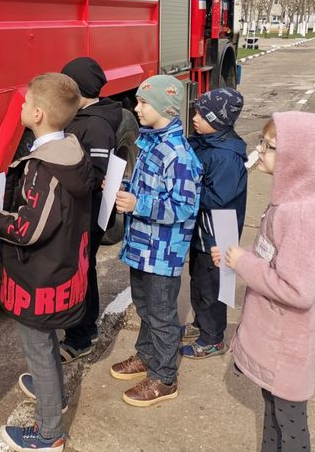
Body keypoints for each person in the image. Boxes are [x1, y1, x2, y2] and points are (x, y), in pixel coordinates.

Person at [212, 112, 315, 452]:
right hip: (277, 337)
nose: (259, 150)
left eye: (269, 146)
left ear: (298, 160)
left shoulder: (299, 216)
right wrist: (237, 255)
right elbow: (271, 256)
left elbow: (297, 289)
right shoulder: (287, 203)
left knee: (289, 421)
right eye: (262, 142)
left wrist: (243, 263)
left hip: (288, 344)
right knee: (272, 408)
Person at [0, 73, 93, 452]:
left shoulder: (44, 168)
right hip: (60, 270)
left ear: (39, 114)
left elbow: (29, 229)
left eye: (26, 102)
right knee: (46, 344)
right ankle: (53, 394)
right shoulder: (72, 151)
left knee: (40, 350)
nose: (23, 106)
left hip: (40, 279)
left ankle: (49, 433)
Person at [110, 75, 202, 406]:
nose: (136, 108)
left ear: (166, 108)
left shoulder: (178, 154)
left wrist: (138, 204)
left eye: (143, 103)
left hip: (162, 254)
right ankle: (146, 355)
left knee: (162, 315)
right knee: (145, 305)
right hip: (142, 248)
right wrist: (124, 189)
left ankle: (164, 377)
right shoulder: (151, 143)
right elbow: (147, 187)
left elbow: (184, 206)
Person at [58, 57, 123, 363]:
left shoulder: (95, 126)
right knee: (82, 268)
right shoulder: (81, 117)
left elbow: (94, 175)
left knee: (81, 271)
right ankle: (84, 329)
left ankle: (80, 337)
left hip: (88, 212)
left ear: (78, 88)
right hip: (78, 209)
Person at [181, 88, 247, 359]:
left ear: (218, 121)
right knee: (198, 279)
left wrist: (188, 190)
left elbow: (219, 198)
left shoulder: (226, 156)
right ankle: (200, 323)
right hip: (202, 232)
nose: (194, 118)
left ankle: (213, 337)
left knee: (213, 286)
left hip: (216, 235)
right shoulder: (204, 143)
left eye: (201, 115)